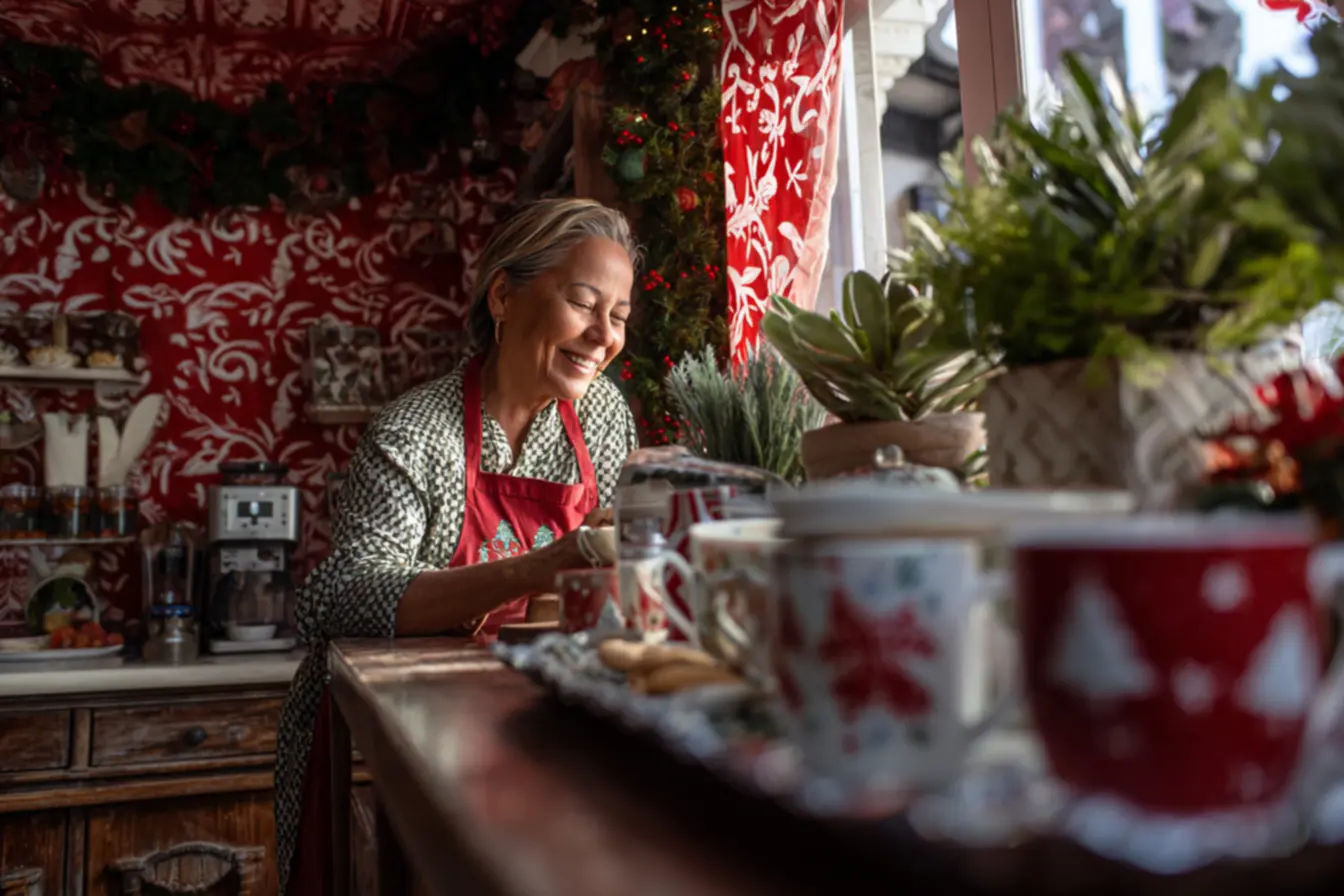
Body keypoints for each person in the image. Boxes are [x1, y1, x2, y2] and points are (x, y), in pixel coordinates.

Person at [274, 198, 642, 894]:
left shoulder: (603, 415)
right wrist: (548, 562)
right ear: (504, 295)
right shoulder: (416, 431)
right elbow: (340, 600)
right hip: (389, 750)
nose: (602, 335)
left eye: (618, 316)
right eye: (584, 303)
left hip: (530, 734)